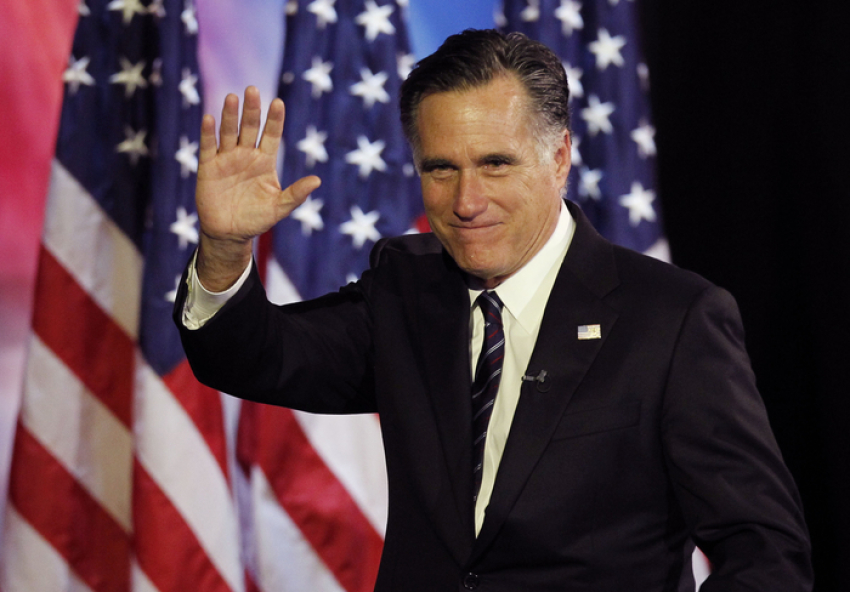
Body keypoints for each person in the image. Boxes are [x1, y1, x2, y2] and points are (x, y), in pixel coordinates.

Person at [175, 29, 812, 591]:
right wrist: (227, 248)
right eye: (441, 168)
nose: (466, 200)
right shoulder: (407, 289)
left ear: (559, 157)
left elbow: (764, 554)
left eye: (496, 164)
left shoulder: (673, 321)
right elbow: (252, 357)